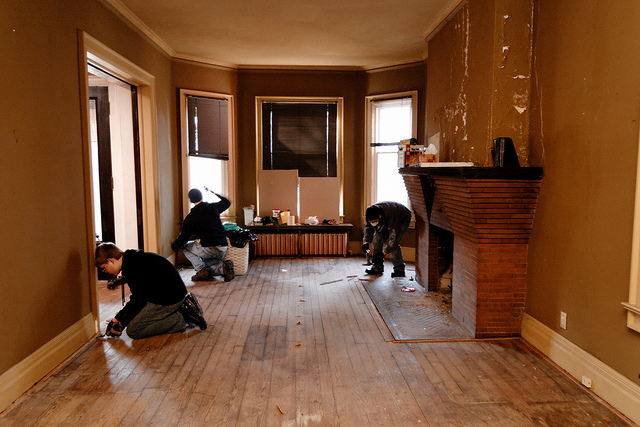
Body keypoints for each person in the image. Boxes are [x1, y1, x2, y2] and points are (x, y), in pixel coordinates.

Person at [95, 242, 207, 339]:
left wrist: (120, 321)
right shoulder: (133, 259)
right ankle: (180, 311)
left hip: (170, 298)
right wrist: (120, 318)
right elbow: (139, 297)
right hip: (167, 294)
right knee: (134, 315)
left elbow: (138, 300)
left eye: (104, 268)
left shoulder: (133, 268)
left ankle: (182, 318)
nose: (106, 271)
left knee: (134, 330)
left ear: (110, 261)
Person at [171, 188, 235, 282]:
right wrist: (213, 192)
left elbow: (183, 238)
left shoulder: (191, 217)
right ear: (201, 196)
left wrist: (174, 246)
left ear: (191, 200)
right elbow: (227, 202)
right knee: (209, 267)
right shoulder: (213, 207)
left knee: (184, 246)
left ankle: (200, 269)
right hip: (223, 248)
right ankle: (223, 268)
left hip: (210, 249)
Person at [362, 201, 412, 277]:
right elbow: (368, 228)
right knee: (376, 240)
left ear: (379, 216)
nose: (372, 223)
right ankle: (377, 267)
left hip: (402, 219)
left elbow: (394, 239)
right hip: (385, 219)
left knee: (394, 244)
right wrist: (366, 242)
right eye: (371, 222)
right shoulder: (370, 213)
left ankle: (399, 269)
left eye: (374, 222)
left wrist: (383, 253)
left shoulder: (392, 215)